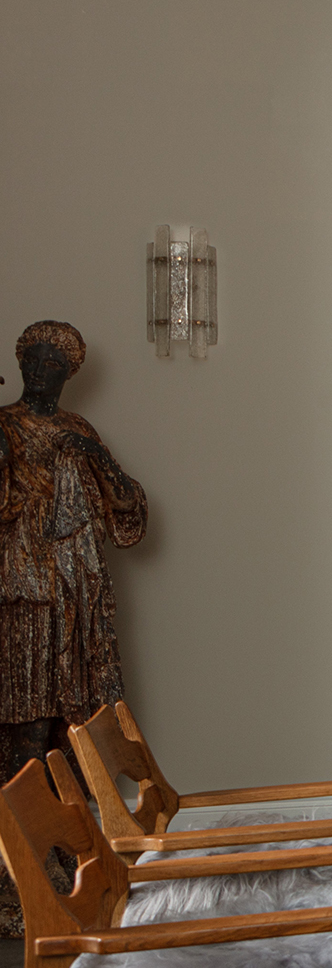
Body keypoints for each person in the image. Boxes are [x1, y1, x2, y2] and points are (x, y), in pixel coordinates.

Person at [0, 321, 148, 782]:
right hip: (21, 586)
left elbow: (127, 512)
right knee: (24, 714)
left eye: (53, 364)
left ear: (68, 374)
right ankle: (22, 834)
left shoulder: (77, 429)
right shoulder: (4, 423)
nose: (41, 372)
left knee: (73, 718)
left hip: (71, 592)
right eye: (34, 361)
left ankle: (71, 833)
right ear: (20, 363)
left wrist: (94, 455)